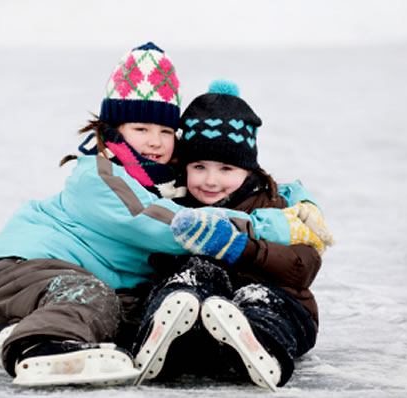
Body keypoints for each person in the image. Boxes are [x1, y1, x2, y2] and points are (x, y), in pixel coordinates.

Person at [0, 43, 327, 387]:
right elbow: (170, 224)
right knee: (89, 295)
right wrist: (272, 225)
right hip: (30, 265)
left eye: (166, 132)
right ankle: (39, 347)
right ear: (113, 131)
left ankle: (21, 328)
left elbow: (252, 181)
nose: (155, 142)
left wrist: (303, 205)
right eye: (141, 129)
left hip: (96, 280)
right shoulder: (98, 177)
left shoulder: (165, 179)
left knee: (133, 316)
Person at [131, 79, 334, 390]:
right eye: (199, 166)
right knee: (192, 277)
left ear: (248, 169)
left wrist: (240, 248)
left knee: (263, 299)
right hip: (206, 317)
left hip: (283, 307)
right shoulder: (173, 208)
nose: (211, 180)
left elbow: (303, 265)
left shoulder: (274, 206)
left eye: (226, 168)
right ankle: (161, 335)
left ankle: (261, 346)